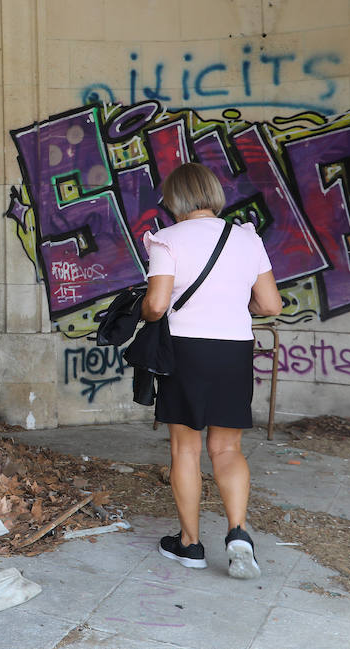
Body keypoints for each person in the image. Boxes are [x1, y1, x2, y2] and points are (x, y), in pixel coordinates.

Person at [141, 162, 282, 579]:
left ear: (174, 199)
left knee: (185, 449)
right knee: (227, 449)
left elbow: (156, 305)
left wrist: (144, 308)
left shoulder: (165, 240)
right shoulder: (246, 239)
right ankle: (238, 532)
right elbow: (272, 305)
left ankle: (190, 544)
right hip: (234, 350)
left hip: (185, 351)